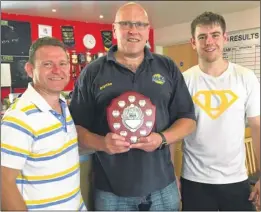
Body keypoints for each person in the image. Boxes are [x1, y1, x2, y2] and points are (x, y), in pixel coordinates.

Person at [69, 2, 196, 211]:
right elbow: (76, 129)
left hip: (163, 188)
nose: (133, 30)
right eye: (126, 24)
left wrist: (162, 138)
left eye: (139, 24)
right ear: (114, 29)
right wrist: (102, 143)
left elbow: (188, 120)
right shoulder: (92, 72)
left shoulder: (167, 67)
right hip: (111, 192)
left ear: (147, 30)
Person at [181, 11, 260, 211]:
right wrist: (170, 175)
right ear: (193, 42)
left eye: (215, 35)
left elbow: (257, 127)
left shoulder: (246, 77)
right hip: (194, 179)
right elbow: (173, 128)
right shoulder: (183, 81)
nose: (209, 41)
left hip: (236, 179)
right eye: (202, 36)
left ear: (225, 38)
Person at [1, 37, 87, 211]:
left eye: (62, 63)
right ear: (30, 70)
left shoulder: (62, 103)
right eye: (47, 64)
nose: (57, 70)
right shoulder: (19, 118)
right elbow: (3, 182)